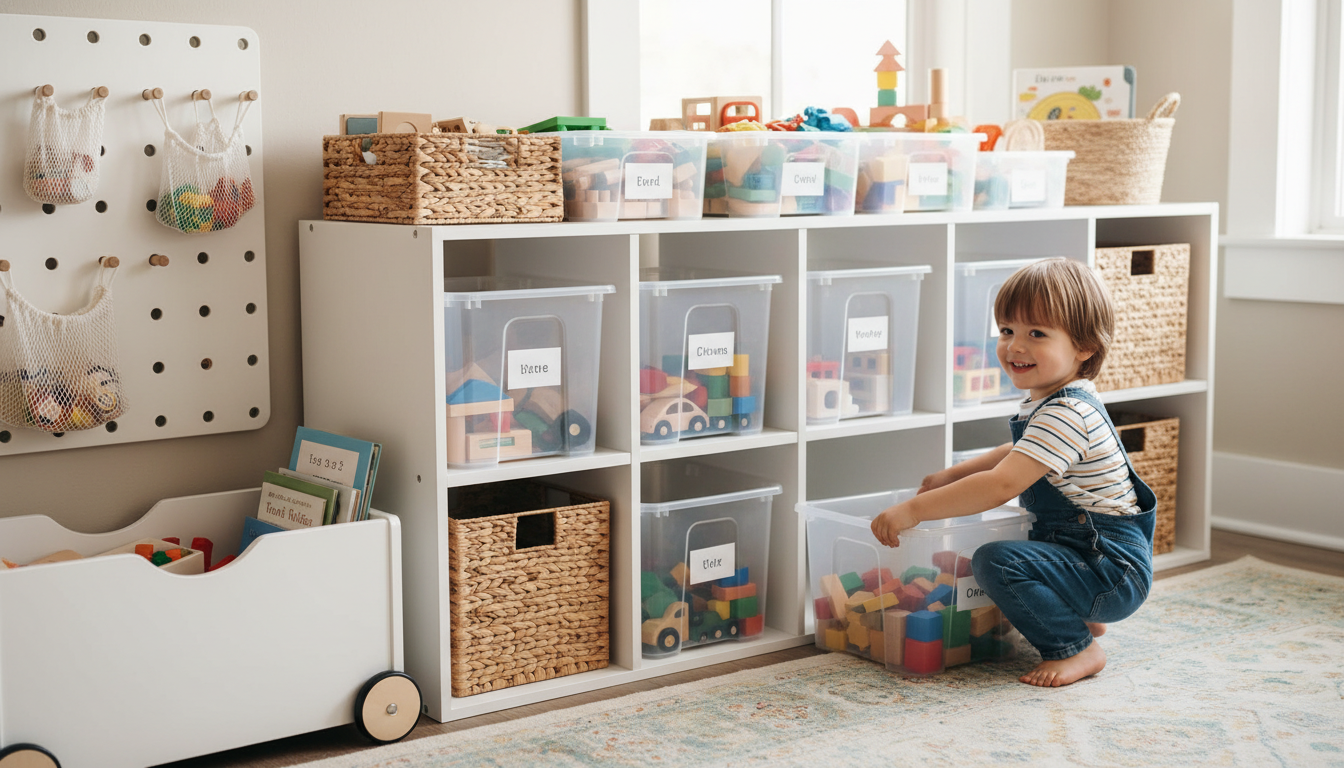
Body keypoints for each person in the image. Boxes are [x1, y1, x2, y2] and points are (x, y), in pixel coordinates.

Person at [871, 258, 1156, 687]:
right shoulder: (1057, 401)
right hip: (1089, 559)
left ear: (1084, 347)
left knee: (997, 561)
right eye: (1007, 331)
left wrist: (913, 510)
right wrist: (953, 475)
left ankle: (1076, 648)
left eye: (1036, 334)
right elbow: (1018, 453)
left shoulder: (1067, 413)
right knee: (1011, 549)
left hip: (1109, 569)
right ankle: (1077, 613)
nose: (1015, 346)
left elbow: (1002, 483)